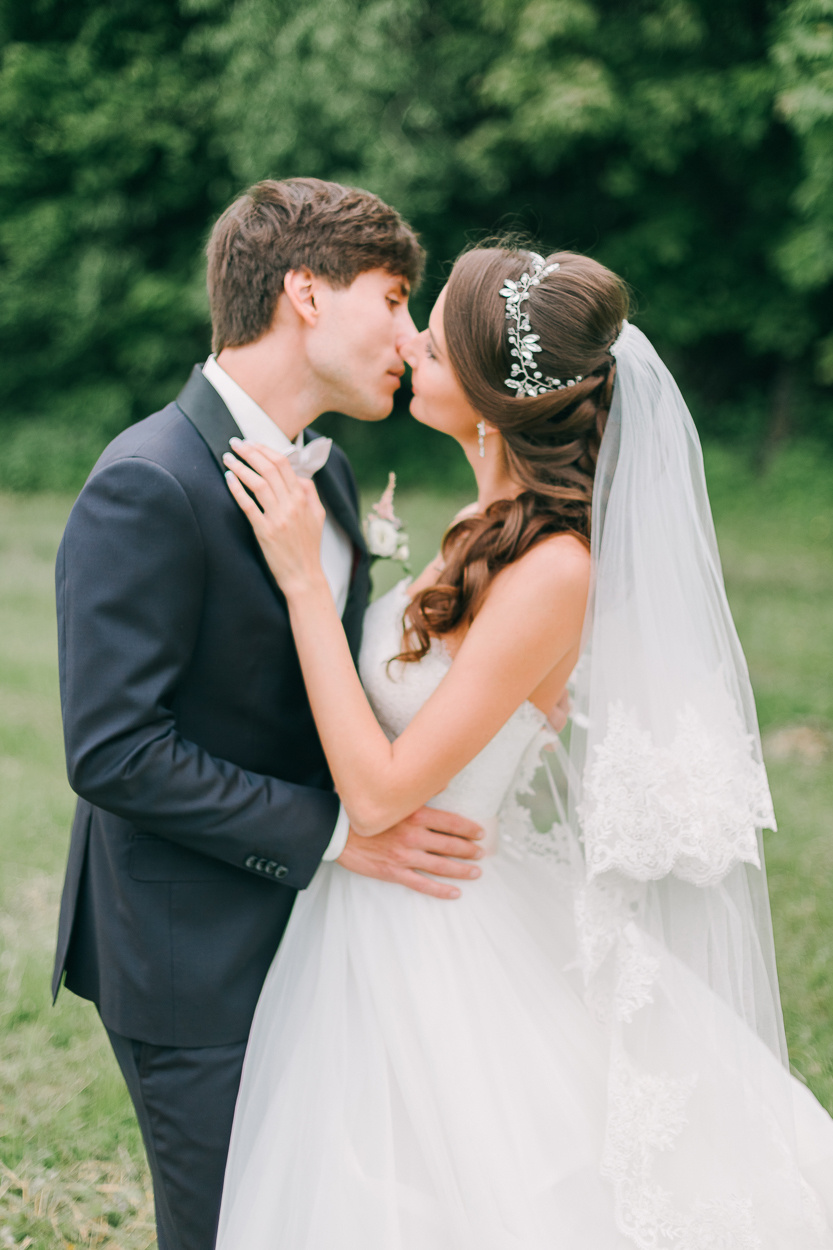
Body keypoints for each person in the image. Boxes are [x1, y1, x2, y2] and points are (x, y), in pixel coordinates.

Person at [219, 244, 833, 1249]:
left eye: (434, 339)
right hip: (374, 907)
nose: (409, 344)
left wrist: (302, 585)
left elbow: (378, 793)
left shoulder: (555, 567)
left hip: (437, 921)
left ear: (492, 398)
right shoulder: (484, 524)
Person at [51, 178, 487, 1250]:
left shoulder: (327, 476)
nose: (410, 335)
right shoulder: (148, 480)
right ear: (306, 292)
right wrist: (341, 834)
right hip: (189, 953)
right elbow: (115, 751)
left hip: (321, 940)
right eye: (393, 298)